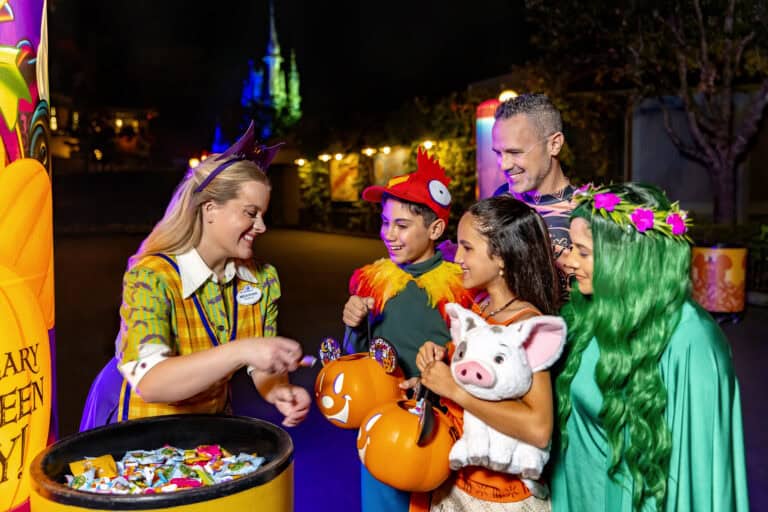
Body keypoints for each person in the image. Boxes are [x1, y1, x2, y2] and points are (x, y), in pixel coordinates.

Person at [80, 122, 311, 430]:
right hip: (141, 440)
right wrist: (242, 350)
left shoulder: (263, 279)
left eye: (263, 215)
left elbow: (262, 366)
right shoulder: (151, 277)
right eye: (250, 213)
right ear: (210, 209)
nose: (261, 227)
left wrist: (278, 389)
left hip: (210, 434)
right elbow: (151, 382)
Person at [552, 182, 749, 511]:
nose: (568, 262)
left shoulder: (691, 341)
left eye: (582, 251)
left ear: (627, 256)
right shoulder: (585, 314)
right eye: (570, 247)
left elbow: (699, 479)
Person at [342, 148, 474, 512]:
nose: (390, 234)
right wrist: (352, 325)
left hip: (439, 423)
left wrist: (440, 370)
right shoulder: (373, 281)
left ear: (434, 228)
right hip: (382, 420)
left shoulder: (460, 288)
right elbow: (357, 355)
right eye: (385, 222)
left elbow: (472, 355)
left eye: (401, 225)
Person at [413, 195, 561, 511]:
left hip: (500, 499)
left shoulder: (526, 324)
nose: (457, 259)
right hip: (457, 485)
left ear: (502, 257)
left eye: (468, 248)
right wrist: (434, 370)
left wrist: (454, 389)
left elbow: (539, 428)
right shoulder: (478, 307)